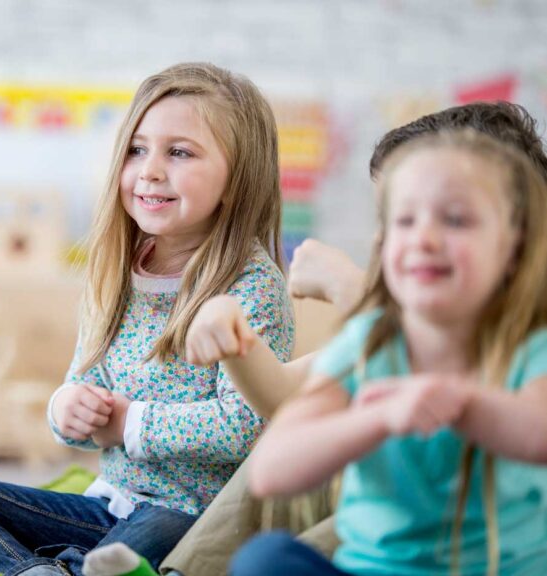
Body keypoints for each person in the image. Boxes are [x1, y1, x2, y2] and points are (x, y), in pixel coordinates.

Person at [0, 61, 295, 575]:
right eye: (137, 149)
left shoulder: (252, 287)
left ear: (239, 178)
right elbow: (84, 383)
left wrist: (131, 423)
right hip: (109, 504)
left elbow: (247, 425)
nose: (150, 169)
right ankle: (39, 571)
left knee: (109, 562)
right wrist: (68, 408)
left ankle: (41, 568)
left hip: (195, 516)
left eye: (179, 152)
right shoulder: (116, 274)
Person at [154, 101, 547, 576]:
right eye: (401, 219)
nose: (416, 239)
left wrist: (459, 402)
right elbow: (277, 446)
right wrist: (377, 417)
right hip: (376, 563)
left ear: (518, 243)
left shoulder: (530, 342)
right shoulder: (375, 338)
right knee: (267, 559)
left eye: (456, 219)